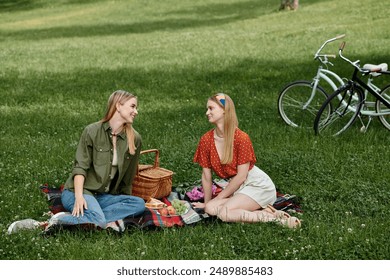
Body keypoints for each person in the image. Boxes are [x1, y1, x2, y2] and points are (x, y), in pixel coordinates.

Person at [8, 90, 145, 234]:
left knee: (139, 204)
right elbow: (80, 168)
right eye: (133, 106)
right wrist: (79, 197)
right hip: (79, 191)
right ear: (118, 106)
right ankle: (44, 224)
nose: (136, 111)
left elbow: (127, 179)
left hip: (103, 197)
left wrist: (124, 201)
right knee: (98, 221)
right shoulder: (92, 131)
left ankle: (87, 216)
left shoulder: (134, 139)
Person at [192, 93, 301, 228]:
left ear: (225, 110)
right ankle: (268, 211)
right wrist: (207, 202)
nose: (207, 112)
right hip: (238, 187)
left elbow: (241, 176)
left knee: (224, 213)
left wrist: (219, 198)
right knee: (210, 209)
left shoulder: (241, 138)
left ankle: (275, 219)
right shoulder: (206, 139)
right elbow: (206, 176)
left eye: (211, 108)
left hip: (257, 185)